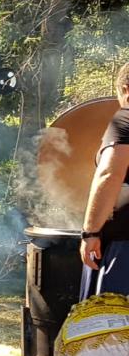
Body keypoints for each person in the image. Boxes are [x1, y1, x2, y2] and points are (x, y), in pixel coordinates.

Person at [79, 62, 129, 292]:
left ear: (126, 89)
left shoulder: (125, 119)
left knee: (112, 313)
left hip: (123, 248)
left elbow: (109, 174)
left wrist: (90, 232)